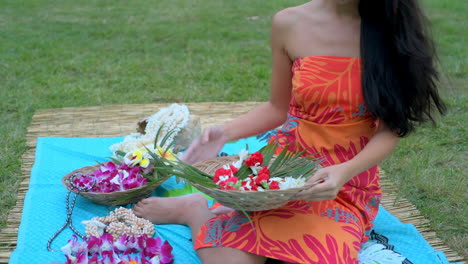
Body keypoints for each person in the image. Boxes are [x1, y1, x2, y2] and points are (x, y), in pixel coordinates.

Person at [133, 0, 446, 263]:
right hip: (281, 172)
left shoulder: (392, 29)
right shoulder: (289, 23)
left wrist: (343, 172)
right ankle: (195, 209)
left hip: (343, 182)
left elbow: (392, 129)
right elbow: (277, 108)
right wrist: (223, 133)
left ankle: (208, 210)